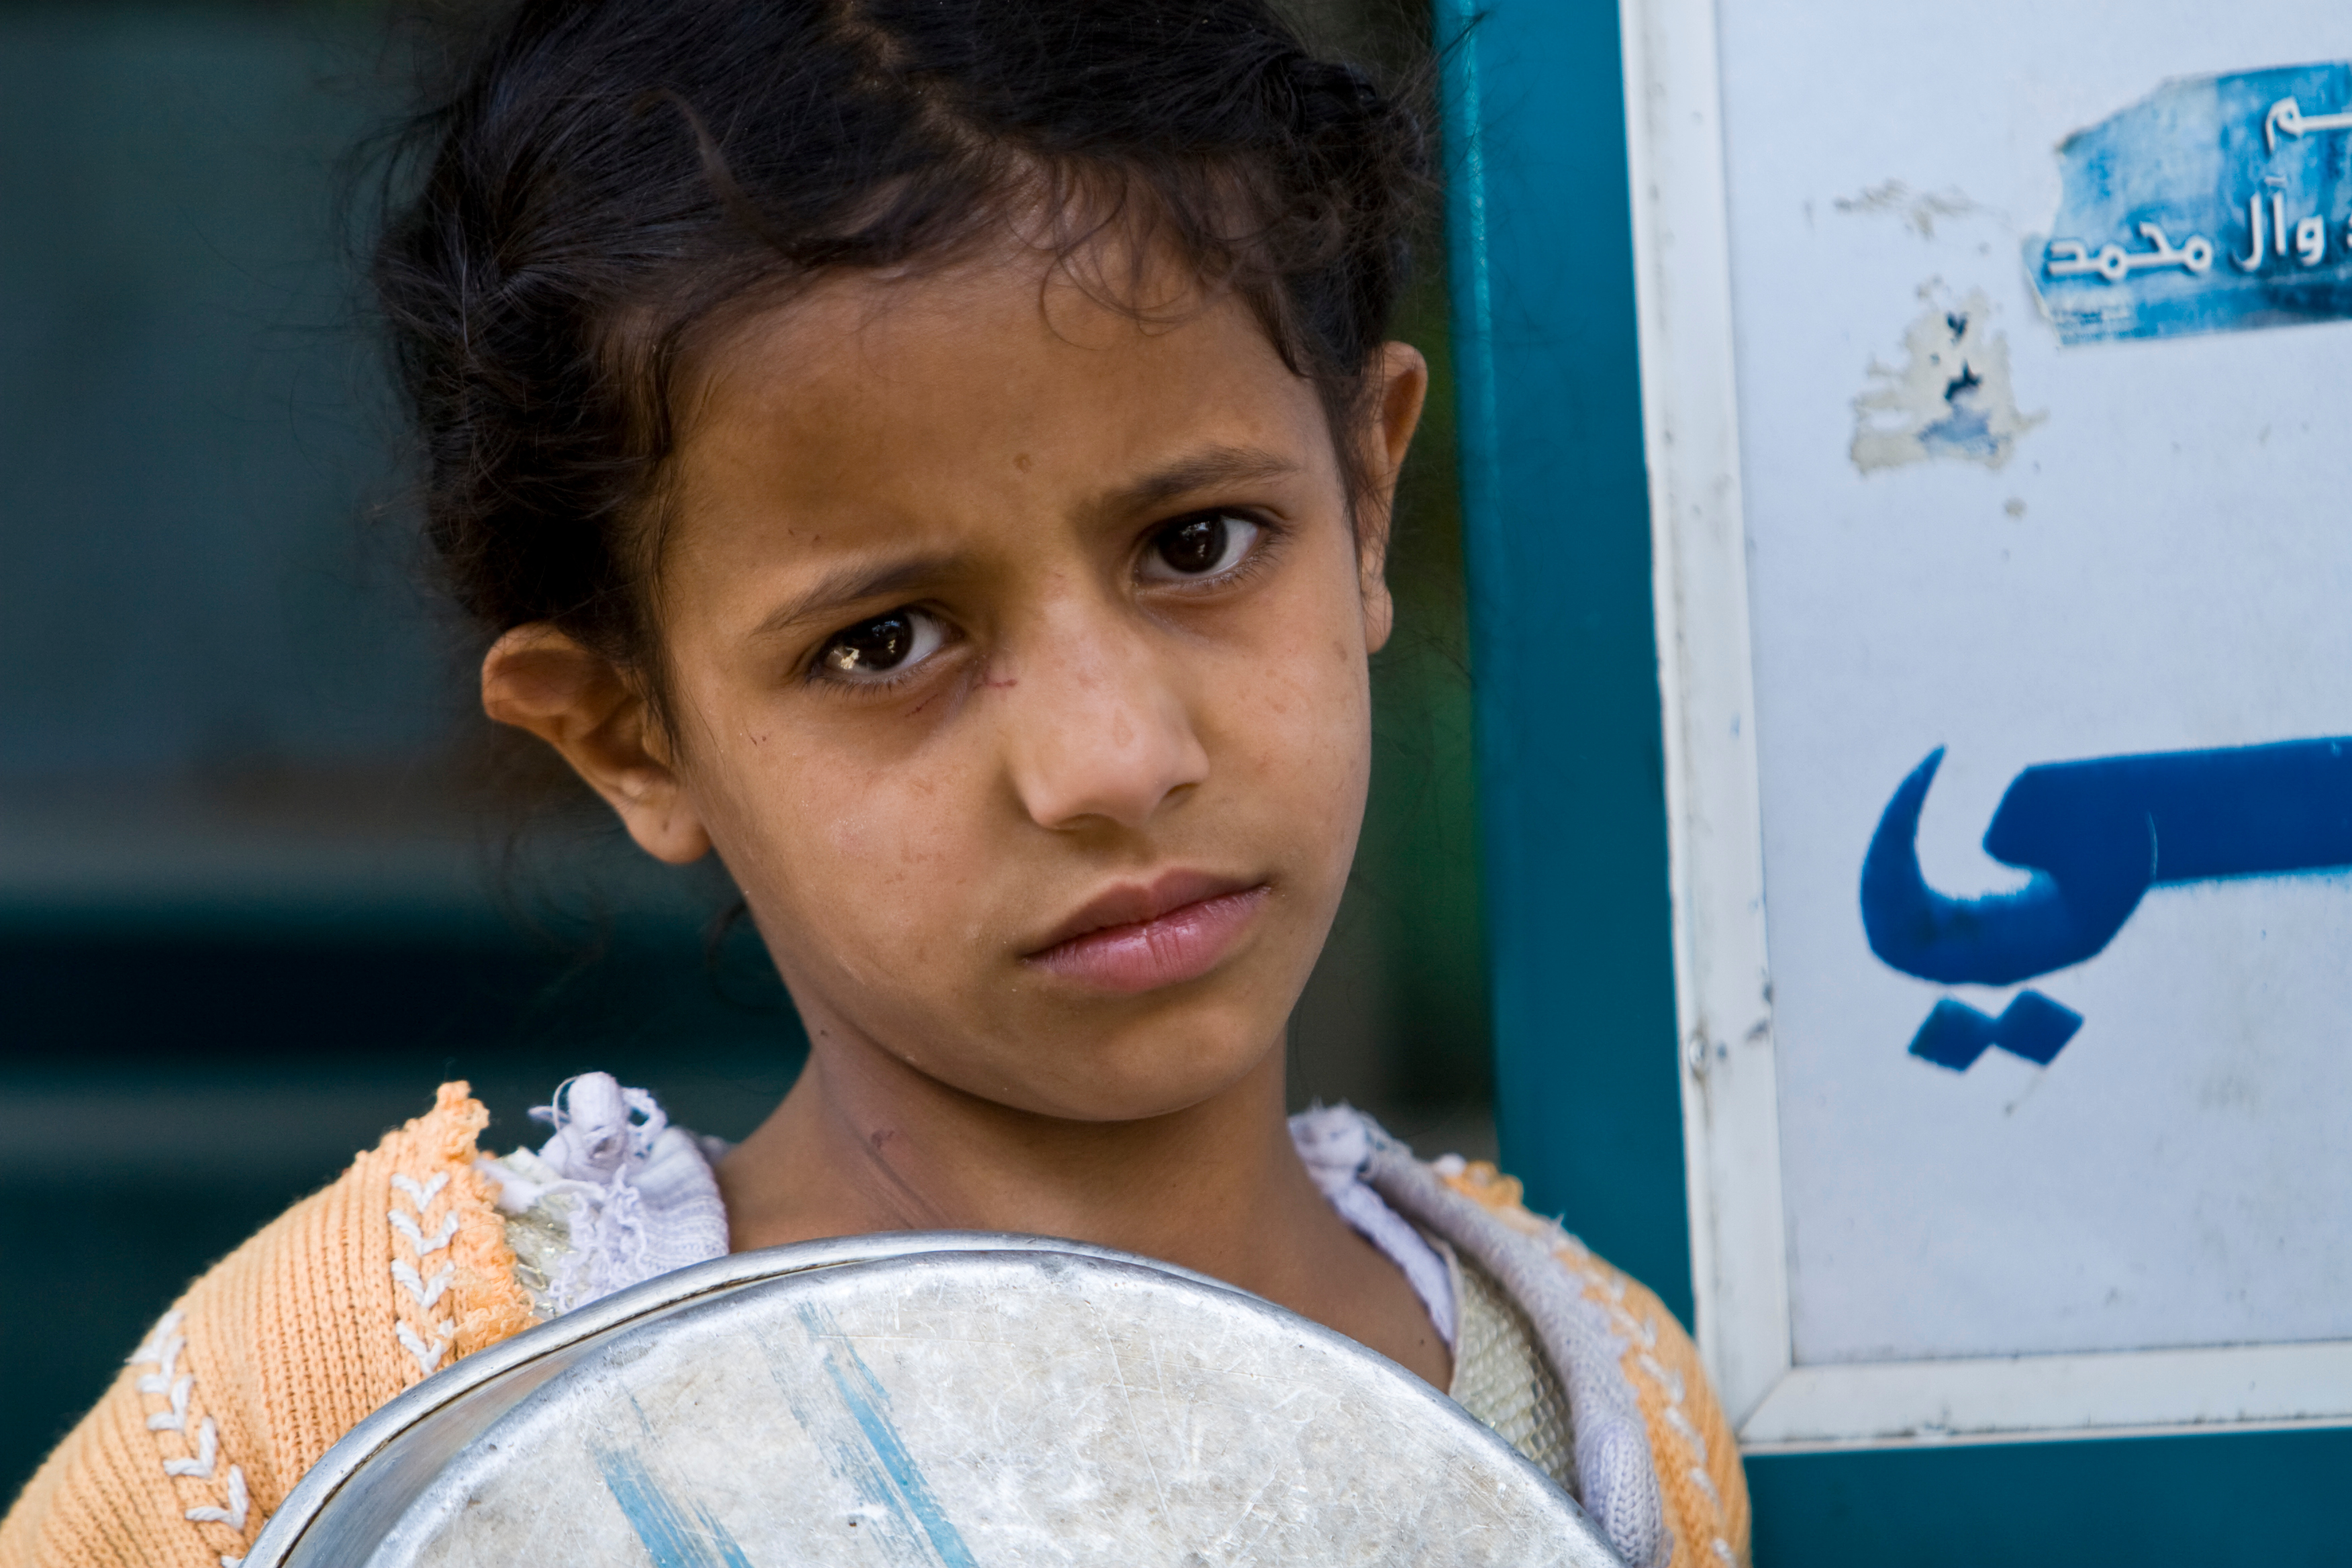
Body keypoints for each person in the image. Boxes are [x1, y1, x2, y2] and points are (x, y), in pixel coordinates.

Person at [0, 2, 1750, 1564]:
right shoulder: (366, 1394)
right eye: (886, 641)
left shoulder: (1589, 1417)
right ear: (630, 731)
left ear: (1366, 499)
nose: (1112, 761)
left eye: (1199, 542)